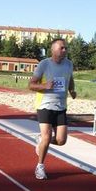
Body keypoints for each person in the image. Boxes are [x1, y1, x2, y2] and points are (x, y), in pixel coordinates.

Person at [28, 38, 77, 180]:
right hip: (45, 105)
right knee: (47, 136)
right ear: (53, 50)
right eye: (62, 48)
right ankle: (40, 167)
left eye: (65, 48)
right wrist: (44, 86)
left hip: (61, 106)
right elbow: (31, 85)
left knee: (61, 140)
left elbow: (70, 78)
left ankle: (42, 141)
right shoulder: (44, 64)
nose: (65, 50)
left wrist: (72, 90)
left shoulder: (69, 64)